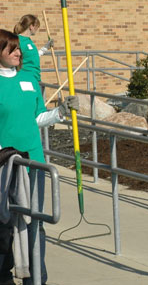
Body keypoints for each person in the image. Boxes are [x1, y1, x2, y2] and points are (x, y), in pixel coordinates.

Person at [0, 29, 72, 285]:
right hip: (4, 166)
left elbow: (38, 118)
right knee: (4, 225)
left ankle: (37, 279)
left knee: (35, 224)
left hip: (33, 163)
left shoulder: (29, 79)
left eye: (19, 48)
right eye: (12, 49)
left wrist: (60, 112)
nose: (19, 53)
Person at [12, 15, 54, 83]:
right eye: (37, 26)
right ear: (31, 26)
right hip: (25, 79)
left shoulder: (28, 40)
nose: (37, 29)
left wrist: (45, 47)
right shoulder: (18, 40)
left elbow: (32, 56)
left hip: (35, 78)